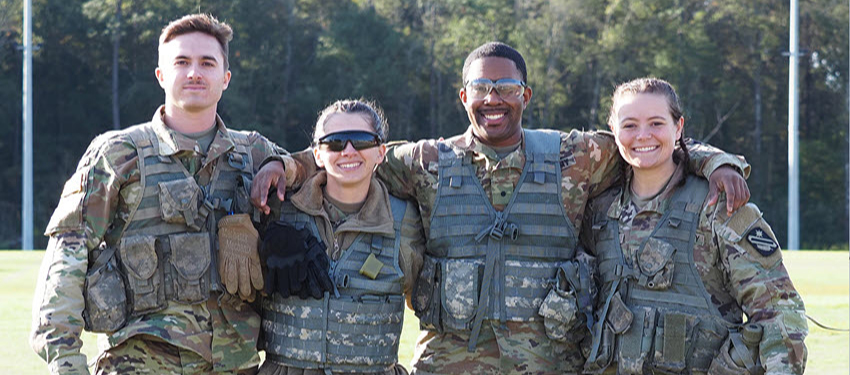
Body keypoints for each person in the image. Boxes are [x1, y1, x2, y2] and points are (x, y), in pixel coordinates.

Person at [251, 42, 751, 374]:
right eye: (482, 88)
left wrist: (717, 162)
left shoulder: (576, 157)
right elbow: (348, 154)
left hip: (552, 364)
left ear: (525, 95)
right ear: (462, 96)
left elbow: (643, 141)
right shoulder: (423, 160)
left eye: (506, 88)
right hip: (449, 364)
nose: (494, 98)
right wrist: (282, 167)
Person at [31, 14, 282, 375]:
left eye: (207, 63)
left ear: (225, 79)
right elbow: (66, 259)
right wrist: (66, 361)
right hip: (140, 364)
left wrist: (283, 167)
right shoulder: (118, 154)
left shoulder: (255, 154)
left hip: (236, 365)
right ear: (161, 76)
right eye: (182, 62)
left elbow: (329, 164)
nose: (194, 72)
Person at [580, 78, 807, 374]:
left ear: (679, 128)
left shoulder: (719, 209)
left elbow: (779, 314)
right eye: (630, 125)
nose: (643, 135)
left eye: (656, 123)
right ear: (613, 130)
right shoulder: (598, 212)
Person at [257, 99, 425, 375]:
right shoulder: (277, 208)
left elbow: (430, 308)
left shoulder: (406, 221)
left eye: (360, 141)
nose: (348, 151)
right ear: (317, 155)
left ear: (381, 152)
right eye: (334, 142)